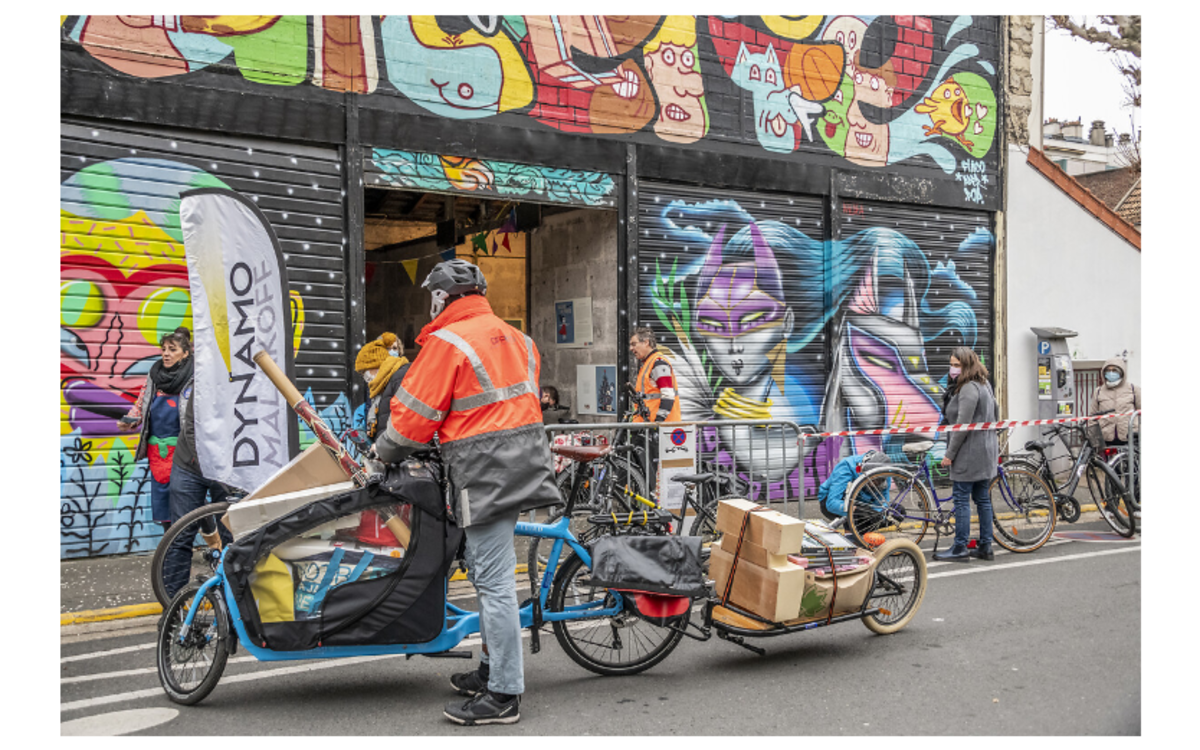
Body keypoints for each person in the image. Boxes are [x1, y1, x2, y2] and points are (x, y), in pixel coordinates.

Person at [373, 259, 559, 726]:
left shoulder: (448, 342)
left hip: (484, 474)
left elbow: (413, 419)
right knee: (484, 572)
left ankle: (503, 696)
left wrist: (382, 453)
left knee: (494, 584)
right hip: (523, 467)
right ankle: (490, 668)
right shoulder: (519, 337)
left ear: (440, 298)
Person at [119, 327, 194, 528]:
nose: (166, 354)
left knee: (189, 500)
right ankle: (170, 550)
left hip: (184, 452)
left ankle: (213, 543)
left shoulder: (194, 378)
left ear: (185, 354)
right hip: (158, 454)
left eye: (172, 349)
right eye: (164, 349)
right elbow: (141, 405)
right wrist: (130, 420)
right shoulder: (155, 375)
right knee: (163, 502)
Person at [933, 347, 998, 562]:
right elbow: (995, 413)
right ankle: (985, 547)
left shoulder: (969, 389)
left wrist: (949, 454)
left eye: (957, 365)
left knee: (961, 499)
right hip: (986, 452)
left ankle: (960, 547)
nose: (952, 369)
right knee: (982, 499)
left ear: (967, 365)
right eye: (951, 364)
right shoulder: (984, 384)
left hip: (969, 454)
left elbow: (962, 426)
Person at [354, 332, 410, 441]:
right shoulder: (376, 384)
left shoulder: (399, 376)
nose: (392, 352)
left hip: (392, 445)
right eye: (388, 348)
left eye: (395, 348)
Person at [628, 326, 681, 423]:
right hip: (648, 427)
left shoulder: (658, 363)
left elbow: (668, 395)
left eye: (634, 344)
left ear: (646, 342)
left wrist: (657, 423)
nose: (631, 348)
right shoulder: (648, 363)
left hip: (659, 430)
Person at [1089, 355, 1143, 446]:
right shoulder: (1098, 391)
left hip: (1129, 437)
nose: (1111, 373)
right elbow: (1092, 417)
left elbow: (1141, 412)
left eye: (1114, 370)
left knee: (1130, 460)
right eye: (1108, 371)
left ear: (1122, 372)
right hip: (1106, 438)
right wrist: (1093, 439)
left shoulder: (1133, 389)